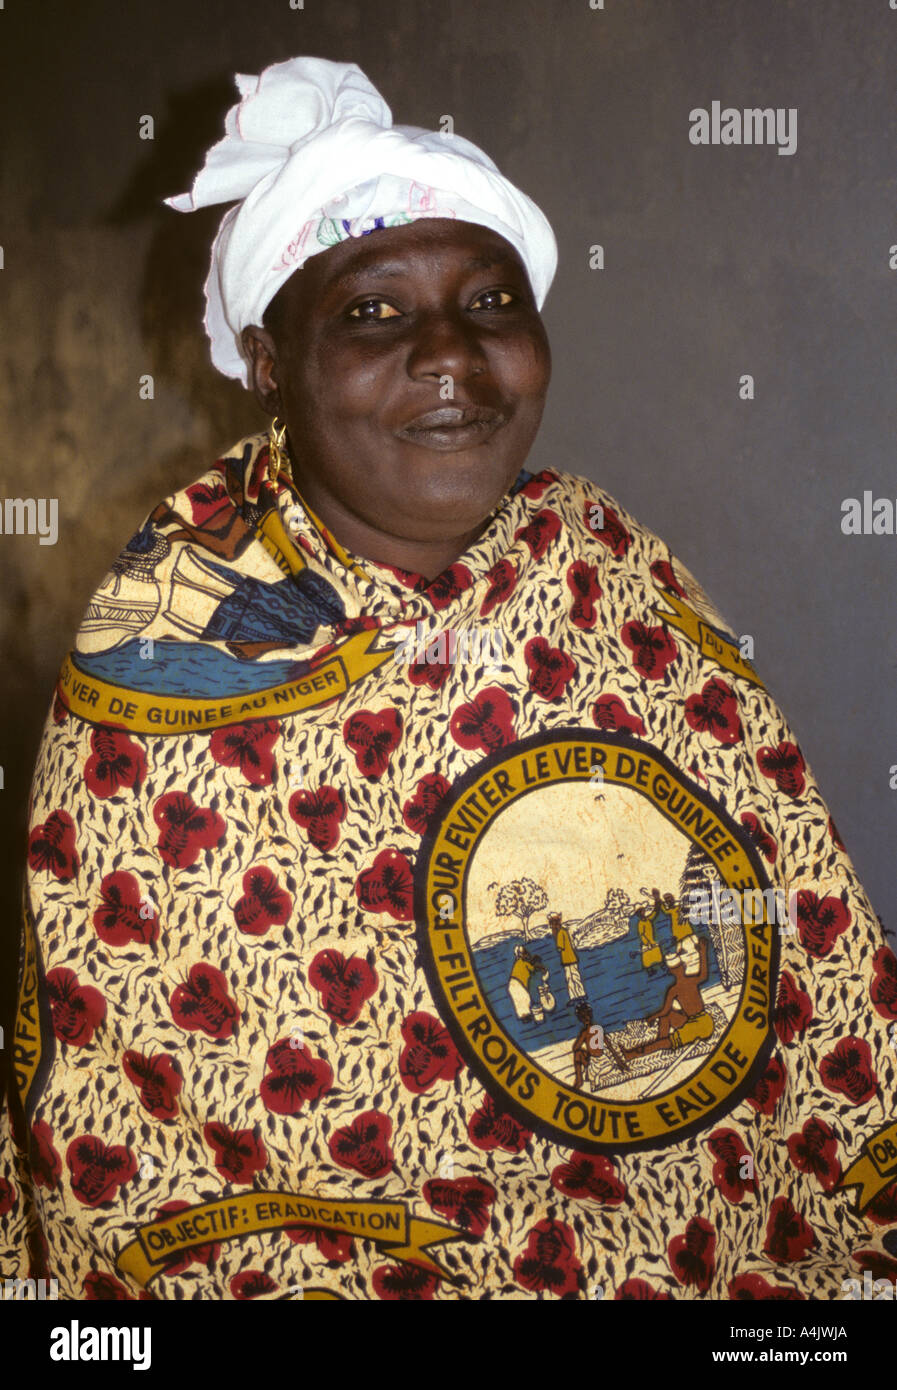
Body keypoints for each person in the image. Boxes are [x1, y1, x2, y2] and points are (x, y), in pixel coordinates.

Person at [1, 56, 893, 1303]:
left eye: (489, 302)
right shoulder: (167, 657)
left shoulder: (612, 567)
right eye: (372, 313)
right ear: (266, 358)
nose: (449, 357)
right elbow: (142, 1159)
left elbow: (803, 918)